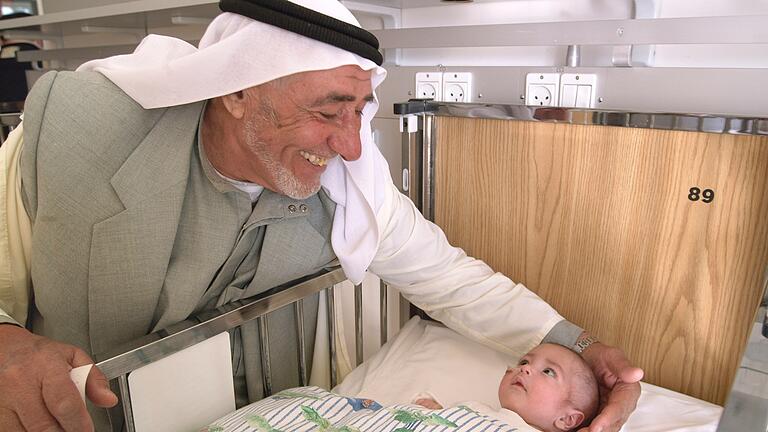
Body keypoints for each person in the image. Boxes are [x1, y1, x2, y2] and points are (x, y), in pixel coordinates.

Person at [0, 0, 643, 430]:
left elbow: (450, 278)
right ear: (237, 90)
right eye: (327, 110)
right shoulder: (72, 140)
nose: (352, 144)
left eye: (359, 112)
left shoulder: (352, 188)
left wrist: (582, 347)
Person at [413, 343, 599, 432]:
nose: (525, 368)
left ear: (567, 419)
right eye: (524, 361)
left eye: (549, 371)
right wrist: (437, 413)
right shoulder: (476, 410)